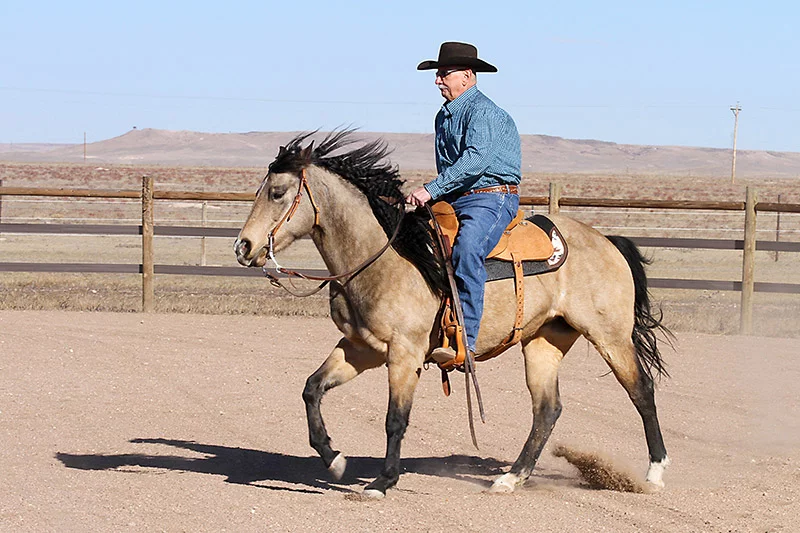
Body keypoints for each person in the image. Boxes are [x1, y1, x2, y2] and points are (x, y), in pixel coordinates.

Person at [405, 41, 522, 359]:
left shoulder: (484, 112)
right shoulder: (443, 116)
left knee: (468, 247)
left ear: (467, 77)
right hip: (455, 198)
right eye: (438, 74)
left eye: (444, 74)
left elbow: (476, 160)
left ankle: (466, 339)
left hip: (491, 197)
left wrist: (431, 189)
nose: (438, 80)